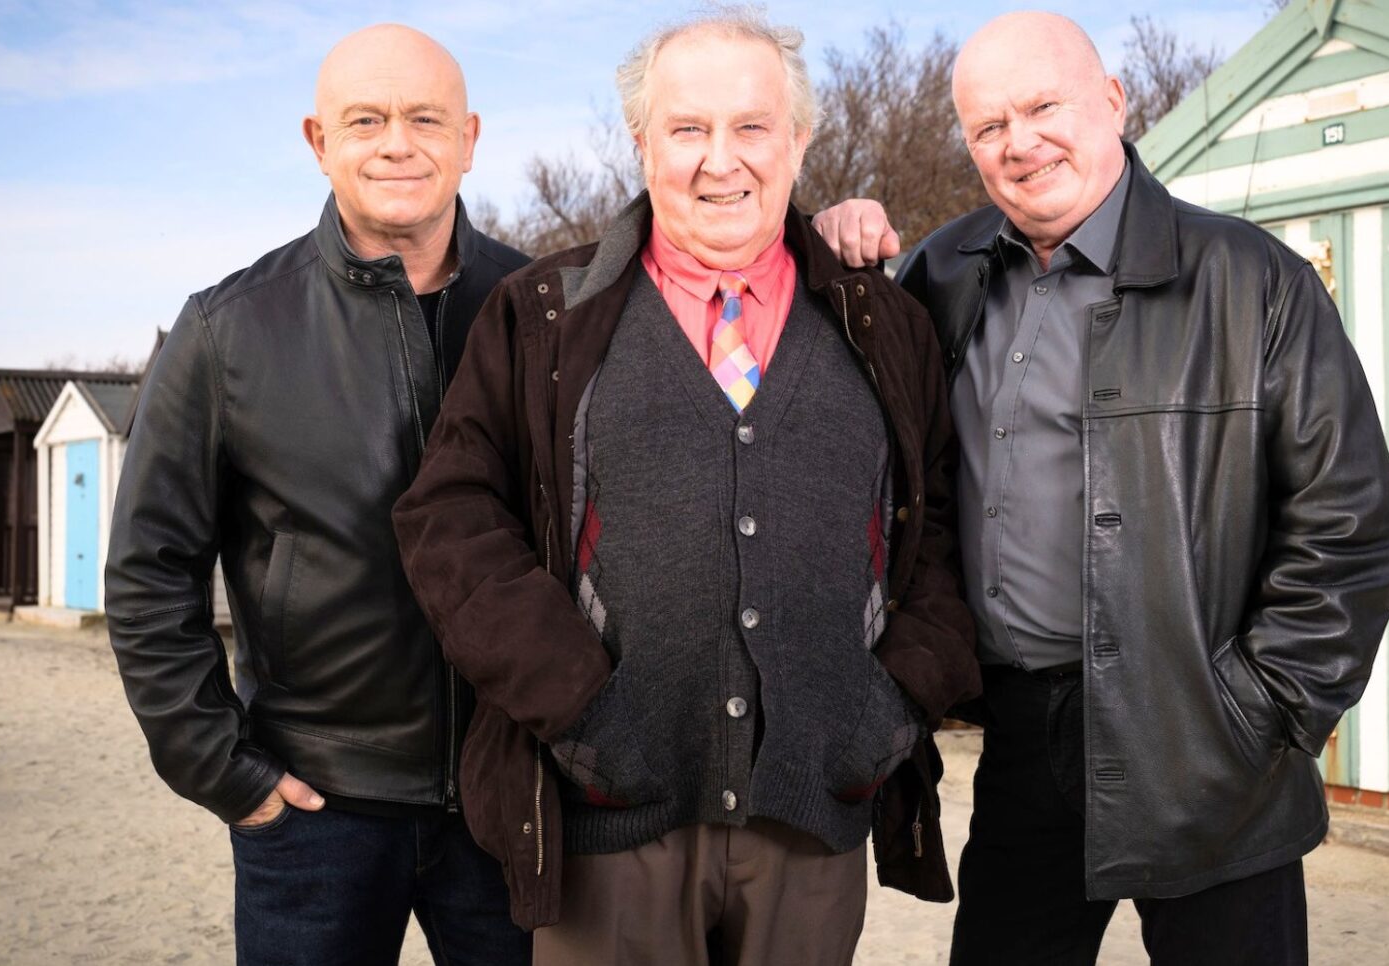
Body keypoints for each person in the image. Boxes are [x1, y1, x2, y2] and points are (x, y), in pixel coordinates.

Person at [812, 11, 1389, 965]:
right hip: (1022, 737)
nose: (1020, 143)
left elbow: (1351, 527)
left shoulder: (1252, 280)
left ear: (1114, 103)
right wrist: (828, 239)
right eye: (988, 126)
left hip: (1209, 744)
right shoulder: (941, 274)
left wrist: (1261, 712)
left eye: (1044, 106)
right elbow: (830, 390)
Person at [390, 8, 980, 965]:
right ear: (640, 143)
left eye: (751, 127)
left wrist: (890, 709)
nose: (721, 160)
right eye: (687, 129)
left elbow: (944, 529)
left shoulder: (884, 323)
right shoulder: (541, 316)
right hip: (610, 819)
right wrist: (579, 708)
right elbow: (448, 521)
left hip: (814, 815)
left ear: (798, 141)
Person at [104, 24, 530, 966]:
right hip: (316, 813)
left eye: (425, 118)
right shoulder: (227, 330)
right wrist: (223, 769)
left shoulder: (543, 306)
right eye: (365, 119)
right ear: (317, 139)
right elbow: (149, 573)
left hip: (512, 800)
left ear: (469, 136)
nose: (396, 143)